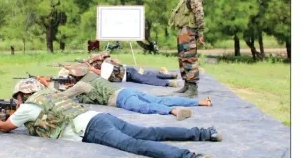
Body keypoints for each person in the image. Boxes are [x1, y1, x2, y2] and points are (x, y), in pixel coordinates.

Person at [0, 78, 222, 158]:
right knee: (150, 132)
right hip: (100, 117)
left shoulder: (28, 107)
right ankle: (205, 133)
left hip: (91, 129)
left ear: (22, 95)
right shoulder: (49, 95)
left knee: (136, 146)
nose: (18, 102)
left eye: (18, 97)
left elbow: (3, 127)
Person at [49, 64, 213, 121]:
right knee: (162, 99)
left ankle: (175, 111)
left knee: (147, 107)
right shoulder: (91, 76)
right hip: (126, 91)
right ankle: (202, 102)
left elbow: (61, 96)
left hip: (120, 98)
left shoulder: (80, 86)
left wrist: (47, 84)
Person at [169, 0, 205, 97]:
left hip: (189, 30)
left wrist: (201, 32)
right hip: (183, 30)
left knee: (189, 58)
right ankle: (187, 85)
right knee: (183, 58)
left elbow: (199, 14)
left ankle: (193, 88)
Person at [86, 52, 179, 87]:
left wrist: (92, 66)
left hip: (128, 72)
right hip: (128, 75)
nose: (97, 63)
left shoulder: (105, 64)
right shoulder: (98, 68)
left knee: (145, 79)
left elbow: (102, 70)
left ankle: (168, 83)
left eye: (97, 60)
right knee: (147, 75)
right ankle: (170, 75)